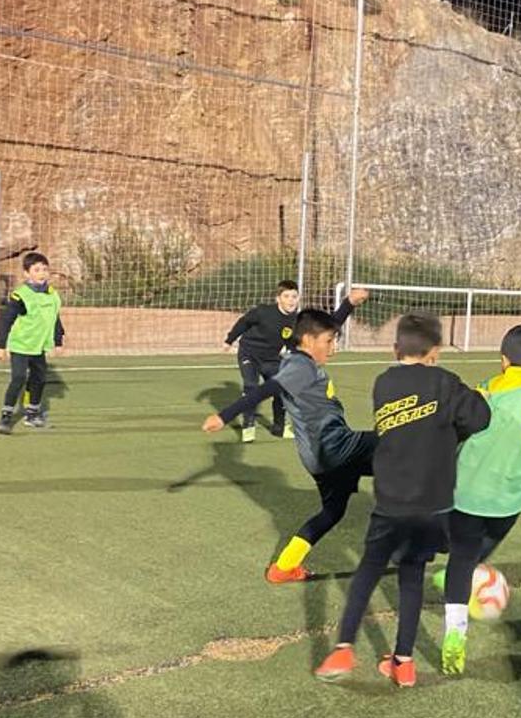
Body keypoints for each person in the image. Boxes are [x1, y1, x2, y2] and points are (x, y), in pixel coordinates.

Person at [314, 313, 490, 688]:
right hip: (433, 504)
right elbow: (479, 419)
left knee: (367, 572)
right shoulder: (446, 383)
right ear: (436, 352)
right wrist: (464, 410)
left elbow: (408, 426)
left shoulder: (384, 383)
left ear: (396, 349)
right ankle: (404, 662)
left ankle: (344, 646)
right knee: (411, 576)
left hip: (391, 499)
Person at [202, 307, 375, 582]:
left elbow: (321, 327)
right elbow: (265, 390)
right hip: (335, 446)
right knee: (398, 445)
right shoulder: (300, 366)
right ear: (308, 340)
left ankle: (283, 568)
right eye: (329, 342)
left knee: (332, 511)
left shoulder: (298, 357)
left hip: (317, 459)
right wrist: (224, 416)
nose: (333, 349)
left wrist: (348, 305)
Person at [438, 324, 521, 676]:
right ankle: (463, 574)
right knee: (484, 542)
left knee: (462, 554)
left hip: (465, 487)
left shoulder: (484, 388)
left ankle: (455, 631)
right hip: (511, 493)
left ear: (503, 361)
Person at [222, 280, 368, 443]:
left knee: (281, 389)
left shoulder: (298, 320)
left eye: (294, 296)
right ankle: (248, 425)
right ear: (278, 298)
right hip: (250, 355)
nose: (291, 300)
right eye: (286, 296)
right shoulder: (263, 312)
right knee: (251, 386)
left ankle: (279, 427)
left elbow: (329, 323)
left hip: (272, 360)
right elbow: (244, 322)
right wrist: (229, 340)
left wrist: (349, 303)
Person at [0, 252, 65, 434]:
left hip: (39, 347)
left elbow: (55, 319)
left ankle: (32, 414)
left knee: (39, 379)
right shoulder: (20, 296)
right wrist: (0, 345)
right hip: (21, 345)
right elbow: (6, 320)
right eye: (37, 270)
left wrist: (58, 341)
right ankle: (6, 415)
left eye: (44, 269)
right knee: (18, 378)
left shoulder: (52, 295)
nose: (42, 273)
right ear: (27, 274)